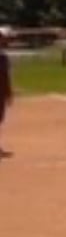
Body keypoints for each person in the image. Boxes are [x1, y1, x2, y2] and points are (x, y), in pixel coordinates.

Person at [0, 30, 13, 160]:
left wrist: (8, 93)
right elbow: (5, 77)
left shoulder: (4, 56)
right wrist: (9, 92)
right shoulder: (3, 57)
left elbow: (6, 77)